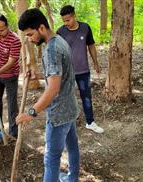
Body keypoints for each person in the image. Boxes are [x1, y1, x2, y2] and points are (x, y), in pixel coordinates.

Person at [17, 8, 80, 182]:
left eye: (30, 34)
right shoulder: (60, 40)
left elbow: (53, 89)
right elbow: (61, 74)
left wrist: (31, 112)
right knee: (72, 146)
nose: (30, 39)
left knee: (51, 158)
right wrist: (38, 75)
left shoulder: (51, 50)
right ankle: (72, 178)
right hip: (70, 109)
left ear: (41, 28)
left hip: (59, 114)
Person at [57, 5, 104, 133]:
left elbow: (91, 46)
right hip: (67, 72)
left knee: (86, 97)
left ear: (74, 16)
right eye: (64, 21)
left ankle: (90, 122)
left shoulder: (85, 28)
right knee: (67, 97)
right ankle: (68, 124)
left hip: (83, 70)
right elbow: (57, 51)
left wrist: (96, 63)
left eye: (68, 20)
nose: (66, 23)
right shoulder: (61, 31)